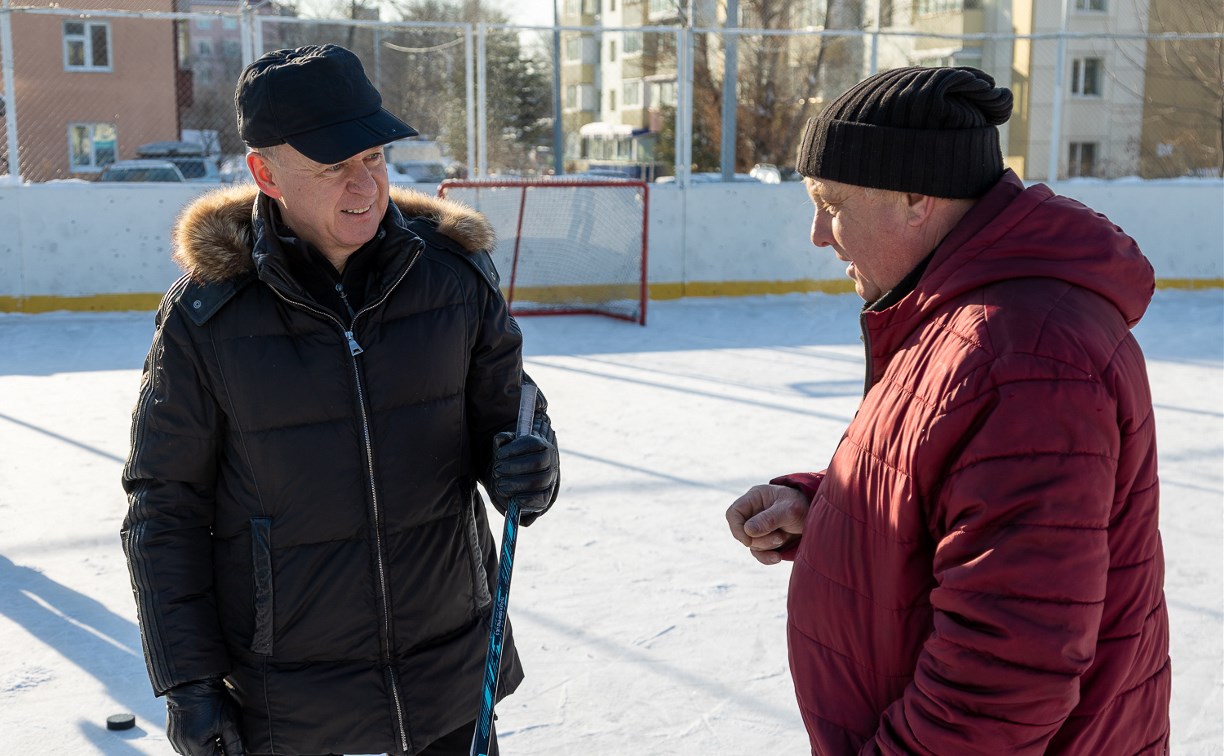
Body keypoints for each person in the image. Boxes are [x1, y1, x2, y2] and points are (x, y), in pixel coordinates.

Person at [121, 44, 560, 756]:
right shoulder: (207, 319)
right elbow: (163, 509)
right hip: (291, 707)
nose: (365, 186)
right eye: (333, 167)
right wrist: (190, 685)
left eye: (375, 157)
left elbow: (515, 418)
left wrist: (535, 471)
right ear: (266, 173)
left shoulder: (453, 278)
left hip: (449, 681)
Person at [726, 66, 1169, 754]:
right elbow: (951, 490)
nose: (818, 233)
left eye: (832, 203)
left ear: (914, 197)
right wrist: (830, 508)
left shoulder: (1023, 355)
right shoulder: (961, 320)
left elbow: (1006, 672)